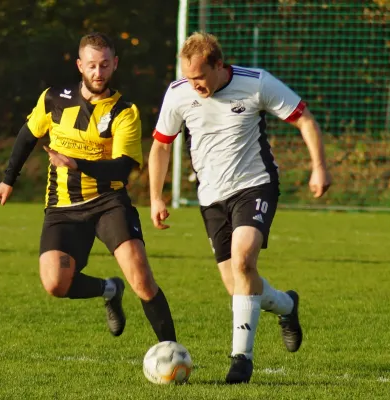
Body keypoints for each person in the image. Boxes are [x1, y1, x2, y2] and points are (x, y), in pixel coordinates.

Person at [148, 32, 331, 384]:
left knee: (245, 261)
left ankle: (241, 362)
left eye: (200, 77)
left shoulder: (256, 83)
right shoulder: (179, 93)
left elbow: (304, 119)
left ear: (219, 65)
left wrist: (319, 166)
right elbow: (160, 146)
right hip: (211, 197)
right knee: (237, 287)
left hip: (255, 185)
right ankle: (287, 306)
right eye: (189, 77)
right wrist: (156, 197)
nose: (194, 85)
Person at [0, 32, 177, 343]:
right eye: (91, 66)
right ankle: (109, 289)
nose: (98, 73)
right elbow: (27, 135)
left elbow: (123, 168)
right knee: (55, 285)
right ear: (79, 65)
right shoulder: (53, 98)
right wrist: (8, 180)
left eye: (104, 65)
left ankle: (171, 350)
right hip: (63, 208)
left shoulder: (125, 111)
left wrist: (78, 164)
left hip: (109, 202)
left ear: (115, 64)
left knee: (142, 281)